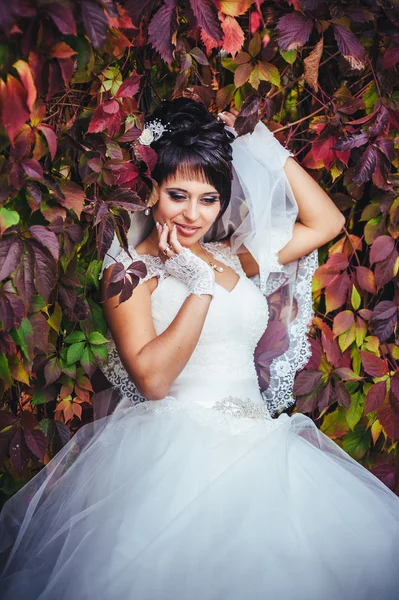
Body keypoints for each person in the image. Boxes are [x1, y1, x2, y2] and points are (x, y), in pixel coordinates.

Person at [0, 97, 398, 600]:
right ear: (150, 191)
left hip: (263, 451)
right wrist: (198, 287)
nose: (192, 214)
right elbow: (154, 380)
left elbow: (325, 223)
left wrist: (260, 142)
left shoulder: (228, 253)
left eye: (208, 199)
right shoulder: (129, 272)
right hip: (179, 454)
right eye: (177, 195)